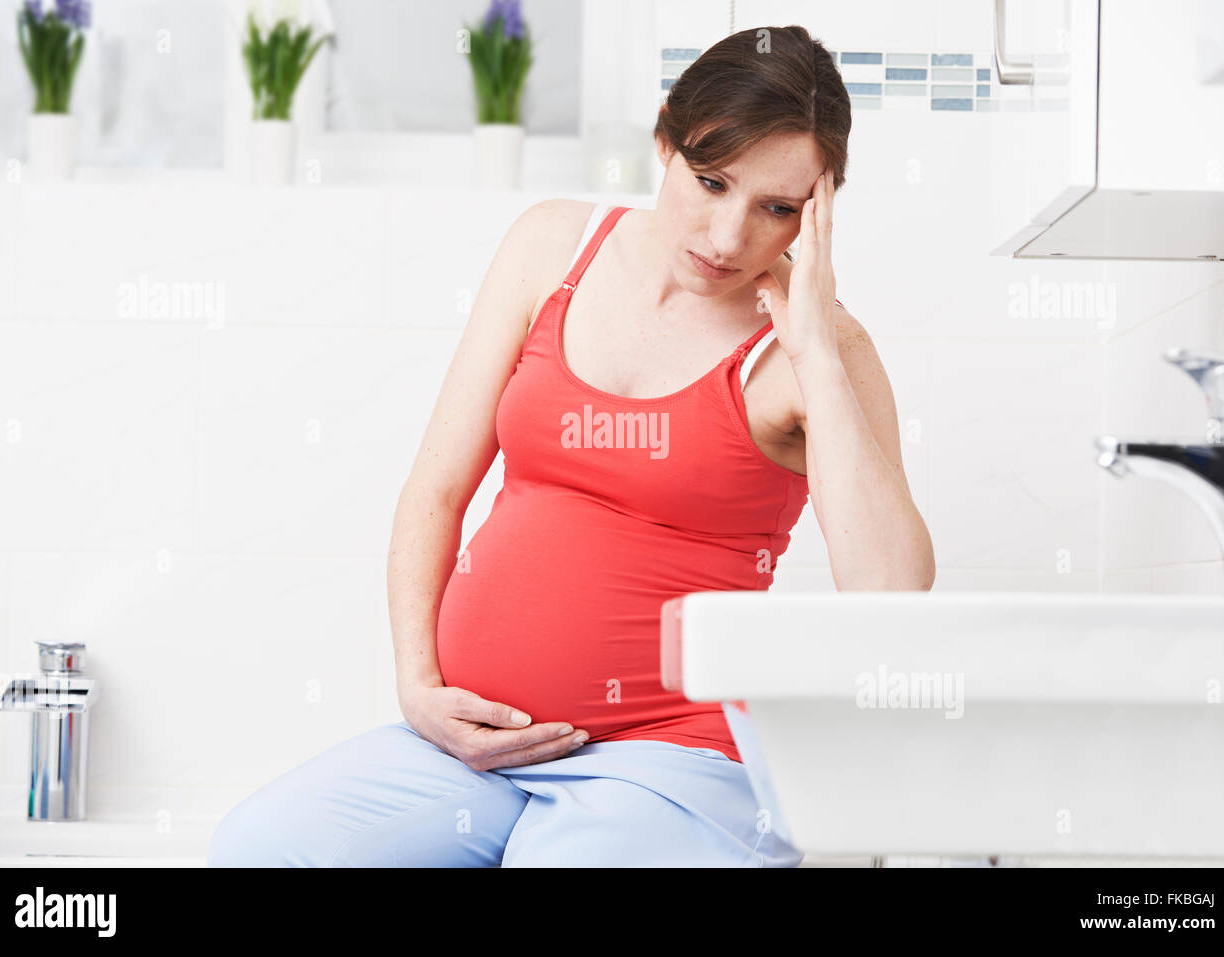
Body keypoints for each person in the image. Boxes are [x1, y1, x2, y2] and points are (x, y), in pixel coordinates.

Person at [208, 24, 929, 868]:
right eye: (709, 181)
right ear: (663, 140)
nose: (729, 237)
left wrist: (812, 348)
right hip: (480, 745)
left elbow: (892, 589)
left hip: (674, 761)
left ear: (821, 208)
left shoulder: (822, 355)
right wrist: (419, 688)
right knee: (256, 849)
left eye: (778, 208)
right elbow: (437, 489)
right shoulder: (552, 248)